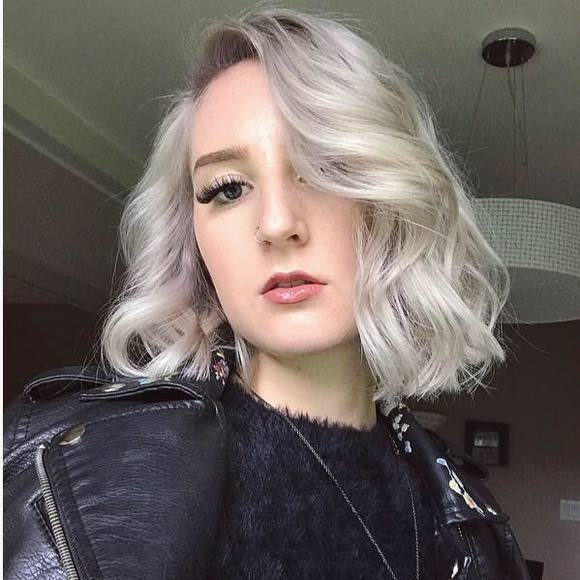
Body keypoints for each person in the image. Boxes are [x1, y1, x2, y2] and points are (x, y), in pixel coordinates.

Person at [4, 4, 531, 579]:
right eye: (228, 189)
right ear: (195, 244)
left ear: (392, 209)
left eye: (325, 166)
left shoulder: (467, 516)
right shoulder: (56, 485)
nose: (278, 224)